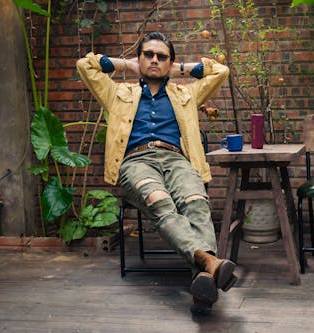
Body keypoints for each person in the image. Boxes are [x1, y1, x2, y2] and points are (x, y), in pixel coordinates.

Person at [76, 32, 237, 315]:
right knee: (159, 201)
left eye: (162, 57)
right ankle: (209, 262)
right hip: (137, 162)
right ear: (139, 59)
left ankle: (203, 277)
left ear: (170, 63)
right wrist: (127, 65)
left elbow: (220, 71)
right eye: (148, 55)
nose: (154, 60)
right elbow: (84, 66)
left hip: (176, 160)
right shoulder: (118, 93)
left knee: (196, 202)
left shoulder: (185, 93)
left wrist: (182, 69)